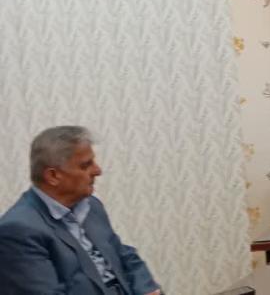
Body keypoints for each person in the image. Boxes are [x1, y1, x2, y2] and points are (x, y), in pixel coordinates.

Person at [0, 126, 162, 295]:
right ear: (53, 176)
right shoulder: (17, 230)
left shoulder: (91, 206)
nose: (98, 171)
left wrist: (148, 289)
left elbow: (122, 253)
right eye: (86, 165)